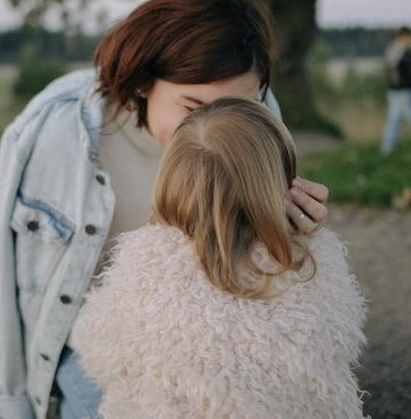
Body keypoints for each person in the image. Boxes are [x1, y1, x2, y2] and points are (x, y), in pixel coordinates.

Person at [0, 0, 333, 419]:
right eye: (193, 106)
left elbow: (258, 277)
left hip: (208, 342)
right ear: (143, 83)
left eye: (240, 108)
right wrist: (7, 402)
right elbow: (11, 285)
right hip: (95, 345)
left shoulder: (261, 127)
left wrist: (293, 233)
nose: (217, 128)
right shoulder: (54, 133)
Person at [70, 97, 368, 419]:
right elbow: (344, 338)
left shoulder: (144, 256)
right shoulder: (310, 259)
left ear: (172, 177)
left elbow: (95, 347)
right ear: (281, 183)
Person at [381, 26, 411, 154]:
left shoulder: (391, 51)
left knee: (393, 120)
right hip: (406, 91)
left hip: (393, 90)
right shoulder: (405, 52)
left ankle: (387, 147)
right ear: (404, 36)